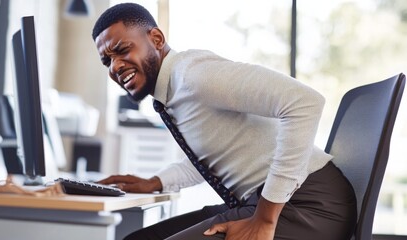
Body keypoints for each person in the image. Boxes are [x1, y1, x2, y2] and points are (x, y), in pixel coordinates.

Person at [92, 3, 357, 240]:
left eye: (122, 50)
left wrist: (265, 218)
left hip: (311, 207)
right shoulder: (172, 91)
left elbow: (305, 102)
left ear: (157, 39)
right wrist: (155, 182)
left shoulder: (194, 75)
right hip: (269, 202)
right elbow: (210, 158)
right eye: (107, 61)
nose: (115, 67)